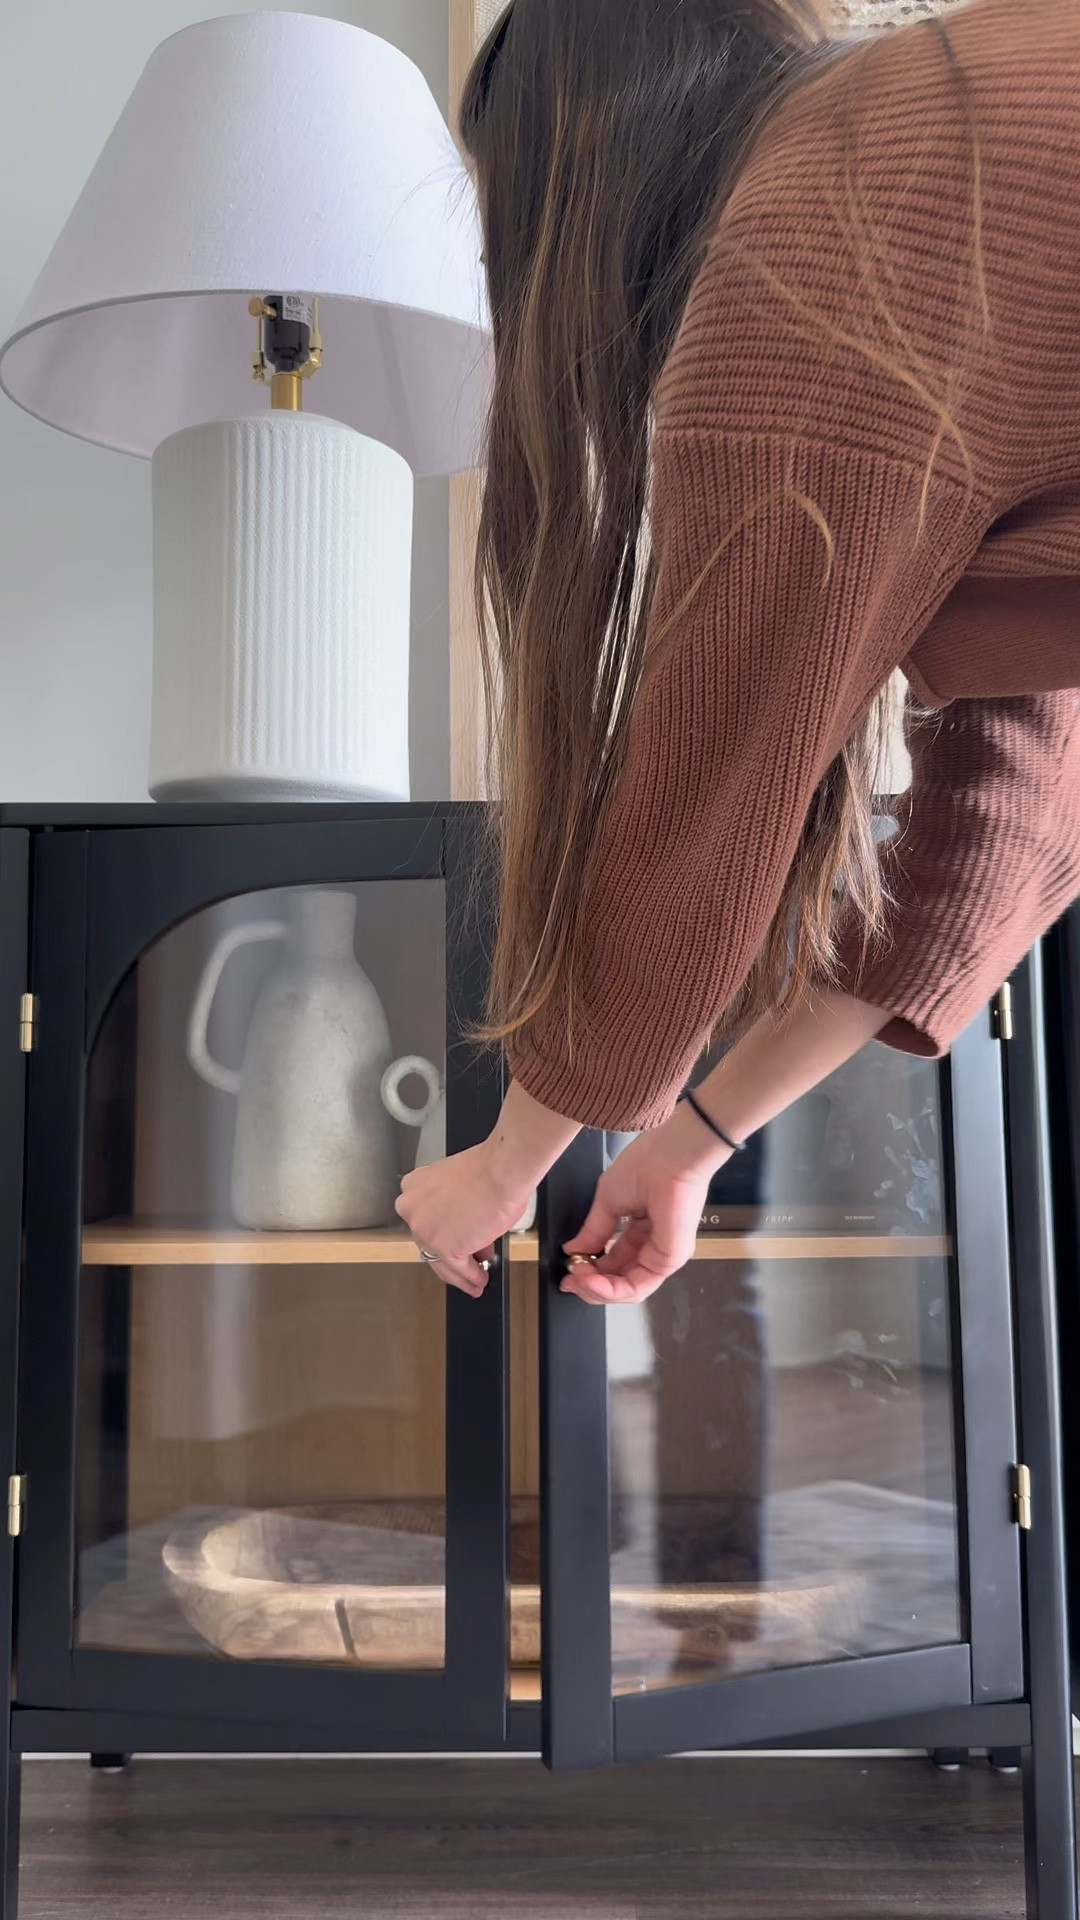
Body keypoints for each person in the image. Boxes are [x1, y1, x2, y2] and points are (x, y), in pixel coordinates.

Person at [397, 0, 1080, 1305]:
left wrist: (504, 1162)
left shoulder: (811, 239)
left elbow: (705, 795)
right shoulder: (907, 143)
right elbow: (1010, 811)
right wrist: (694, 1141)